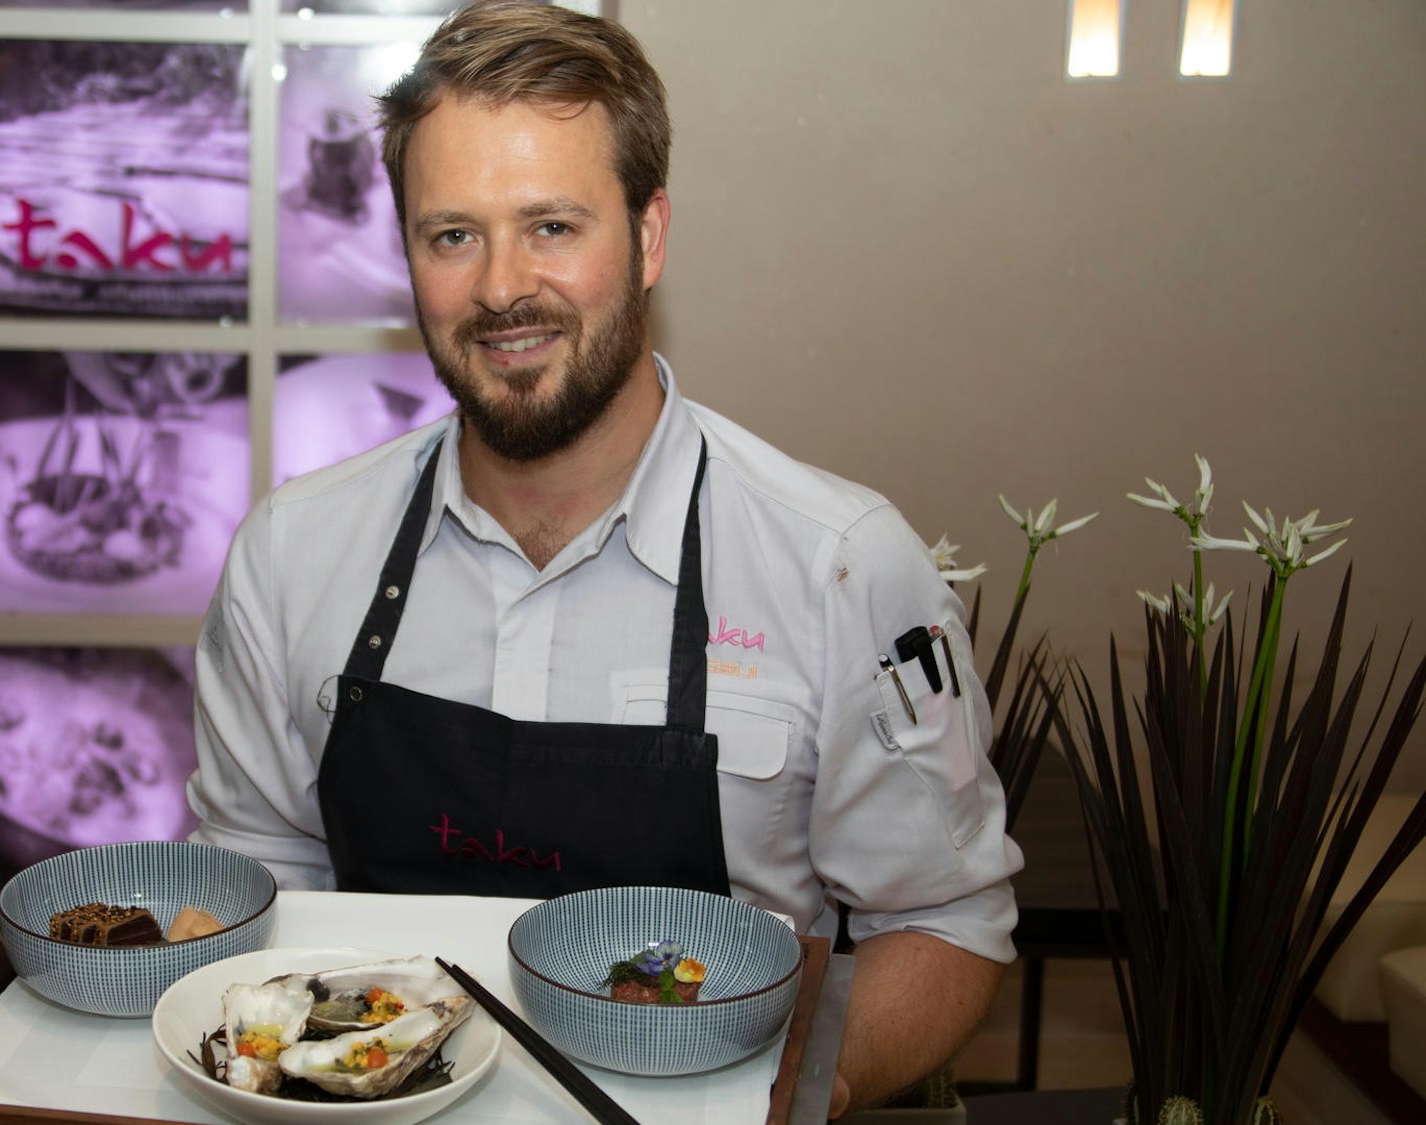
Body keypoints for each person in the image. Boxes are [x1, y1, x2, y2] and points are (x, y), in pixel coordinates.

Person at [185, 2, 1022, 1115]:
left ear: (649, 235)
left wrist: (786, 1106)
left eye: (551, 226)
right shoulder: (293, 555)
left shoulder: (840, 568)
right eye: (452, 235)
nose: (500, 288)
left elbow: (944, 921)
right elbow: (258, 883)